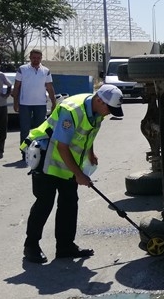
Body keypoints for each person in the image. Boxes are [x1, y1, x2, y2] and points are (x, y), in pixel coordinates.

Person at [21, 84, 124, 264]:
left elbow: (87, 133)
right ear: (99, 100)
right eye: (109, 109)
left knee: (69, 203)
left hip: (67, 163)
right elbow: (62, 145)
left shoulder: (97, 111)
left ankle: (65, 246)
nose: (109, 113)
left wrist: (90, 152)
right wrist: (79, 174)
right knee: (45, 203)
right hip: (46, 157)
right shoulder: (72, 111)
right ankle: (31, 246)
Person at [11, 49, 57, 153]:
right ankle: (24, 152)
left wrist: (54, 102)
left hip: (40, 104)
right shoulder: (22, 69)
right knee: (24, 129)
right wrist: (15, 102)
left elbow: (50, 87)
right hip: (25, 104)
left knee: (40, 129)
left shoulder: (46, 71)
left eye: (38, 58)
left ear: (41, 58)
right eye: (34, 58)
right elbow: (16, 87)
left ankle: (38, 152)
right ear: (30, 58)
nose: (36, 60)